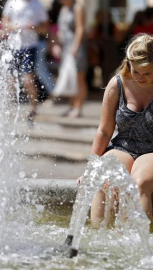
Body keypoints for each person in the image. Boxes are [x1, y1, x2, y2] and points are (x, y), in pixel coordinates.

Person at [79, 33, 153, 228]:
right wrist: (91, 168)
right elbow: (104, 131)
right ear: (128, 64)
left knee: (140, 182)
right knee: (102, 178)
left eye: (147, 73)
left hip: (152, 150)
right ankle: (97, 240)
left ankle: (137, 247)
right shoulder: (117, 84)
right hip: (125, 146)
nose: (140, 78)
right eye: (136, 71)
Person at [1, 0, 49, 125]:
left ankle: (33, 108)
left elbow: (45, 29)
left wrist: (34, 27)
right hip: (13, 45)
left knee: (28, 79)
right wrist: (16, 27)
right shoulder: (11, 3)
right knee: (10, 80)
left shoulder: (37, 5)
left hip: (30, 46)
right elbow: (4, 23)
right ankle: (7, 109)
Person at [52, 0, 88, 118]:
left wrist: (76, 47)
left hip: (76, 47)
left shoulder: (78, 7)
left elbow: (80, 28)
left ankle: (78, 107)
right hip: (65, 47)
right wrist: (56, 44)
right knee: (70, 78)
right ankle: (72, 106)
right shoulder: (64, 9)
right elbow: (61, 30)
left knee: (79, 78)